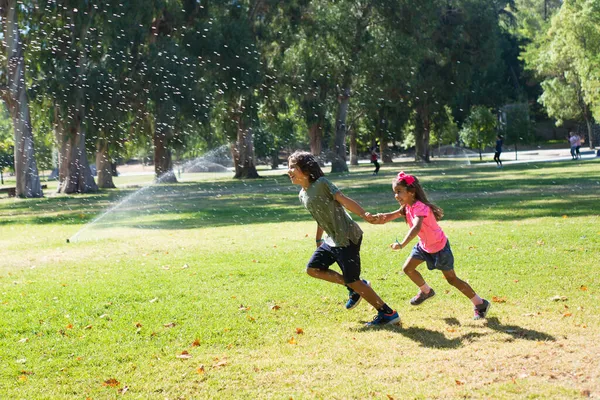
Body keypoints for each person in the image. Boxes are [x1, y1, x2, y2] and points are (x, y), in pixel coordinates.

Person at [287, 151, 400, 327]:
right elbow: (320, 216)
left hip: (347, 237)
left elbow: (344, 200)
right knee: (313, 269)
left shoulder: (322, 184)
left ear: (307, 169)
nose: (289, 171)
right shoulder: (302, 194)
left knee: (353, 279)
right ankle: (354, 288)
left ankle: (388, 313)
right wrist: (318, 240)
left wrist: (364, 214)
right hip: (331, 239)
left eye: (293, 167)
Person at [371, 171, 491, 320]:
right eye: (395, 192)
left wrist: (402, 244)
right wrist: (375, 218)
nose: (396, 196)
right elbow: (390, 215)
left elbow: (416, 227)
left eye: (399, 192)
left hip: (439, 247)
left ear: (412, 192)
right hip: (424, 246)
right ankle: (426, 291)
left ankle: (480, 304)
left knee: (452, 279)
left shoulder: (419, 207)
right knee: (408, 268)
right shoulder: (407, 206)